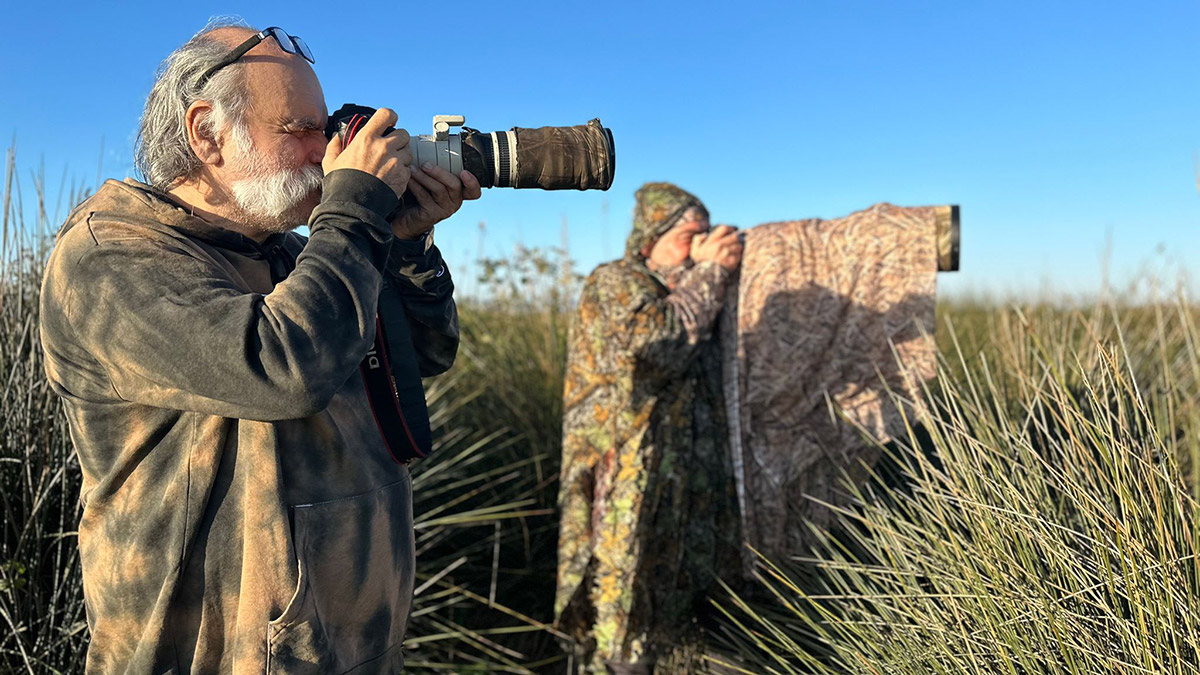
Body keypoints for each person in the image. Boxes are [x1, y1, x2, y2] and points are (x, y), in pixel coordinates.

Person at [38, 21, 479, 673]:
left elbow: (420, 360)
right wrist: (355, 211)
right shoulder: (109, 259)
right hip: (209, 654)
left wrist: (405, 246)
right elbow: (280, 367)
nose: (327, 151)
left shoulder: (300, 256)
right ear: (207, 133)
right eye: (301, 129)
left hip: (343, 643)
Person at [555, 182, 744, 673]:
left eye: (706, 234)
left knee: (683, 604)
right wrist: (710, 270)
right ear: (650, 237)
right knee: (622, 602)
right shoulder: (616, 281)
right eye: (689, 234)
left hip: (688, 485)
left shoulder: (700, 289)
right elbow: (657, 343)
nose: (701, 245)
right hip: (627, 483)